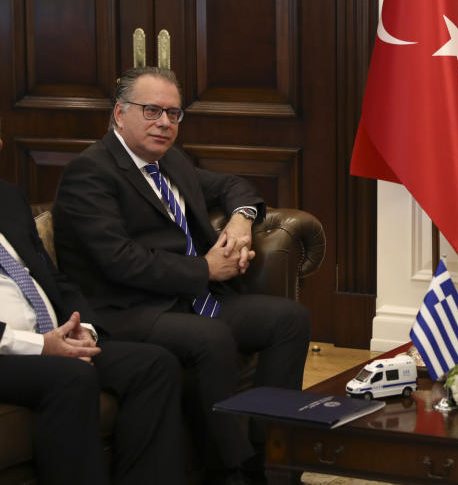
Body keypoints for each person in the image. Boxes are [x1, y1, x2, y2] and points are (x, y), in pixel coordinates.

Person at [51, 67, 311, 485]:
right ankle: (229, 470)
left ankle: (272, 458)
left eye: (173, 114)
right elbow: (119, 260)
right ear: (119, 113)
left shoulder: (170, 160)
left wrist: (243, 220)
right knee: (209, 339)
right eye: (151, 111)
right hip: (127, 309)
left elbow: (231, 184)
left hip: (189, 299)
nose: (165, 123)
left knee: (289, 319)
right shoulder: (91, 172)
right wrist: (205, 268)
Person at [0, 149, 183, 485]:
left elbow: (52, 277)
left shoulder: (7, 198)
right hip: (7, 349)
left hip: (52, 337)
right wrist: (40, 346)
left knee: (154, 365)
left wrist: (83, 327)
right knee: (70, 376)